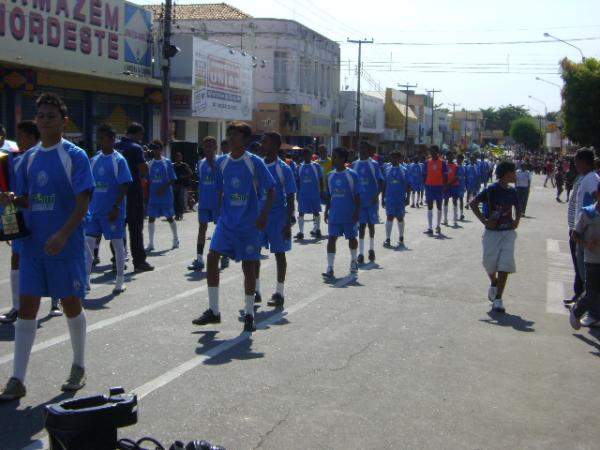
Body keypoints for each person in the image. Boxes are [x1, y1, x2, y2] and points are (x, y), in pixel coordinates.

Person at [0, 93, 94, 400]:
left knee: (70, 304)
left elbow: (83, 201)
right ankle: (17, 379)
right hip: (32, 246)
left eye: (50, 115)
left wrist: (64, 234)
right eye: (40, 115)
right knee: (27, 308)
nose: (44, 120)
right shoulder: (26, 159)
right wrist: (11, 203)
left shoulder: (74, 156)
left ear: (63, 121)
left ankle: (78, 365)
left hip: (63, 246)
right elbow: (26, 199)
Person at [192, 122, 275, 333]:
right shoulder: (222, 163)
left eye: (236, 135)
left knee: (248, 267)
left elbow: (271, 188)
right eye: (229, 134)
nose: (231, 138)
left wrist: (264, 214)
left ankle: (249, 314)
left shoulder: (254, 162)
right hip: (227, 223)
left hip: (249, 225)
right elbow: (220, 190)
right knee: (212, 257)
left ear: (245, 139)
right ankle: (214, 311)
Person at [0, 121, 40, 323]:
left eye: (21, 135)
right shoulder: (14, 159)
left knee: (47, 258)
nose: (18, 139)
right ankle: (16, 306)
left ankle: (55, 302)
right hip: (17, 214)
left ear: (32, 137)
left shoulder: (42, 158)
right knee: (16, 257)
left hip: (41, 218)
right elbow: (9, 188)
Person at [85, 124, 132, 295]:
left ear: (112, 140)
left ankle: (120, 280)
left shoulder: (119, 160)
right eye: (99, 137)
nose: (100, 141)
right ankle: (86, 280)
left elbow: (125, 184)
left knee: (117, 244)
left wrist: (116, 207)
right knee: (88, 244)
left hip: (112, 211)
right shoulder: (94, 159)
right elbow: (89, 185)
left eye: (103, 138)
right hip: (94, 211)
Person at [470, 161, 520, 314]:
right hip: (492, 233)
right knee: (488, 263)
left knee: (505, 265)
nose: (515, 175)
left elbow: (518, 208)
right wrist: (485, 221)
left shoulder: (513, 191)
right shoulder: (491, 189)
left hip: (507, 233)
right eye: (513, 172)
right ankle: (494, 281)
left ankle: (498, 299)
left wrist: (516, 221)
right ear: (506, 173)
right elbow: (473, 203)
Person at [255, 132, 296, 307]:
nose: (261, 145)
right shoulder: (257, 166)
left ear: (275, 146)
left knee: (279, 254)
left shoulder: (283, 169)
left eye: (265, 142)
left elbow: (291, 196)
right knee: (253, 254)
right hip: (259, 217)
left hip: (278, 218)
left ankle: (279, 293)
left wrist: (288, 223)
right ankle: (255, 291)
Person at [115, 123, 153, 272]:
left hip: (116, 192)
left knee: (118, 227)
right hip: (133, 191)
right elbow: (143, 169)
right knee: (135, 228)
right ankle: (139, 261)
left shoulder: (116, 146)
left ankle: (117, 260)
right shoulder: (136, 148)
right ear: (138, 134)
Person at [571, 148, 600, 325]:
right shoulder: (586, 178)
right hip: (580, 231)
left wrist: (587, 222)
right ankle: (587, 307)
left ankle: (592, 312)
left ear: (585, 162)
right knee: (586, 276)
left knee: (589, 278)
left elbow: (595, 202)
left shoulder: (592, 180)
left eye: (577, 161)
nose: (575, 165)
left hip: (587, 233)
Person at [322, 147, 360, 279]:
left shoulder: (352, 175)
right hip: (335, 214)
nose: (334, 159)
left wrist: (357, 212)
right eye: (333, 156)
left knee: (352, 238)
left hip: (349, 214)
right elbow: (328, 196)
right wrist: (326, 211)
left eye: (336, 157)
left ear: (343, 159)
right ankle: (330, 268)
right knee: (331, 238)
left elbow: (357, 196)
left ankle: (354, 261)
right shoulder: (330, 176)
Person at [188, 136, 219, 272]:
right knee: (202, 228)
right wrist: (194, 197)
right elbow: (200, 183)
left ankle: (223, 255)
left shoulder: (221, 161)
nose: (208, 149)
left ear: (216, 148)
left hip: (218, 203)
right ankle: (199, 259)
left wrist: (212, 162)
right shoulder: (200, 163)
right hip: (205, 202)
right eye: (206, 146)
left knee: (220, 229)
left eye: (211, 146)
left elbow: (221, 179)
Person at [352, 141, 383, 263]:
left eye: (364, 148)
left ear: (369, 150)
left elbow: (381, 181)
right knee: (361, 226)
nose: (362, 150)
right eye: (361, 147)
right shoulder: (354, 164)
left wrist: (377, 195)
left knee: (371, 225)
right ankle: (360, 253)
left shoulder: (374, 164)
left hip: (371, 201)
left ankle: (371, 249)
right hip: (360, 202)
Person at [146, 140, 179, 251]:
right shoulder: (150, 163)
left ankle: (175, 239)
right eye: (153, 148)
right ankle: (150, 243)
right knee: (151, 218)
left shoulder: (167, 162)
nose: (155, 150)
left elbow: (173, 179)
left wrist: (163, 188)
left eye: (157, 148)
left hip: (166, 196)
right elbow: (147, 180)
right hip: (153, 197)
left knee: (169, 218)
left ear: (161, 149)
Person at [382, 151, 410, 247]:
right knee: (389, 217)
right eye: (392, 158)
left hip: (400, 198)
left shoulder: (404, 170)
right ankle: (388, 239)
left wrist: (408, 197)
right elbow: (384, 184)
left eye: (396, 158)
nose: (394, 160)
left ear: (400, 159)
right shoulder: (387, 169)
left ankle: (401, 237)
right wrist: (382, 198)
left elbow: (408, 184)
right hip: (389, 198)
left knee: (400, 218)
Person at [296, 147, 324, 240]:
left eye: (309, 154)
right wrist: (297, 193)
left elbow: (320, 179)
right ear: (303, 156)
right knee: (301, 213)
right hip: (303, 194)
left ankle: (317, 229)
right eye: (305, 154)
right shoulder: (299, 167)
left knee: (316, 212)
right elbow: (298, 181)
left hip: (314, 193)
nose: (307, 156)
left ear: (311, 155)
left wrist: (322, 191)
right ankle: (301, 232)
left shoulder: (316, 166)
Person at [424, 146, 448, 234]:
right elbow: (425, 174)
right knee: (429, 206)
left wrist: (445, 186)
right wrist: (425, 185)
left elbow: (445, 175)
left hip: (439, 186)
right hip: (429, 186)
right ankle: (430, 228)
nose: (432, 153)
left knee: (439, 206)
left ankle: (438, 226)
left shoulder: (443, 162)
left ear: (438, 152)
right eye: (431, 152)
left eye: (434, 152)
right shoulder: (427, 162)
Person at [443, 152, 462, 226]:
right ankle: (445, 219)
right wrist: (444, 185)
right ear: (446, 157)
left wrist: (448, 184)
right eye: (448, 156)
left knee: (455, 202)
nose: (450, 157)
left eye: (451, 156)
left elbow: (456, 177)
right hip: (446, 186)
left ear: (453, 157)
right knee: (445, 201)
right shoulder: (444, 165)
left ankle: (455, 219)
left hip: (454, 186)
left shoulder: (456, 166)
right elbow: (443, 176)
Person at [172, 151, 192, 221]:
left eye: (179, 156)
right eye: (177, 156)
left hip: (182, 185)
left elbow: (190, 173)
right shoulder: (173, 165)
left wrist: (183, 176)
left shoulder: (184, 165)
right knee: (175, 200)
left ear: (181, 158)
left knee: (180, 200)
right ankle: (176, 214)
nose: (178, 158)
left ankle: (180, 213)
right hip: (174, 184)